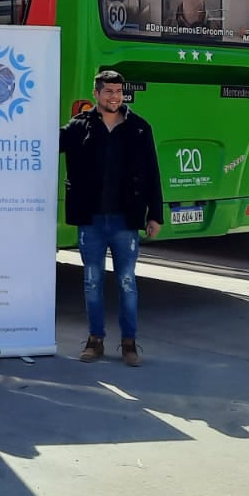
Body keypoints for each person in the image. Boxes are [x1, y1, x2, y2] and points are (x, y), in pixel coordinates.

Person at [59, 70, 164, 367]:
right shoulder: (79, 126)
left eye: (118, 92)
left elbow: (152, 174)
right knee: (92, 281)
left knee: (127, 281)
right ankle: (96, 340)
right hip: (90, 221)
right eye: (108, 92)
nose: (114, 97)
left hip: (125, 221)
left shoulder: (140, 128)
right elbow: (49, 142)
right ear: (96, 94)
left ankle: (129, 343)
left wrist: (156, 214)